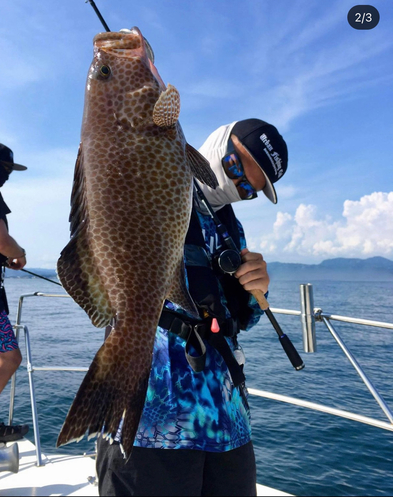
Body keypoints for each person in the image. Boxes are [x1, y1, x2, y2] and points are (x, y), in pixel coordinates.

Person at [96, 119, 288, 496]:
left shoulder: (232, 228)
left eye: (249, 189)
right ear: (219, 140)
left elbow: (239, 319)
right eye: (236, 168)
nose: (237, 186)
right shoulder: (150, 186)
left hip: (227, 421)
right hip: (151, 418)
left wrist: (255, 289)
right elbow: (115, 149)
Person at [0, 142, 30, 445]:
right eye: (6, 169)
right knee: (8, 358)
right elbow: (0, 240)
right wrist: (19, 254)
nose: (8, 176)